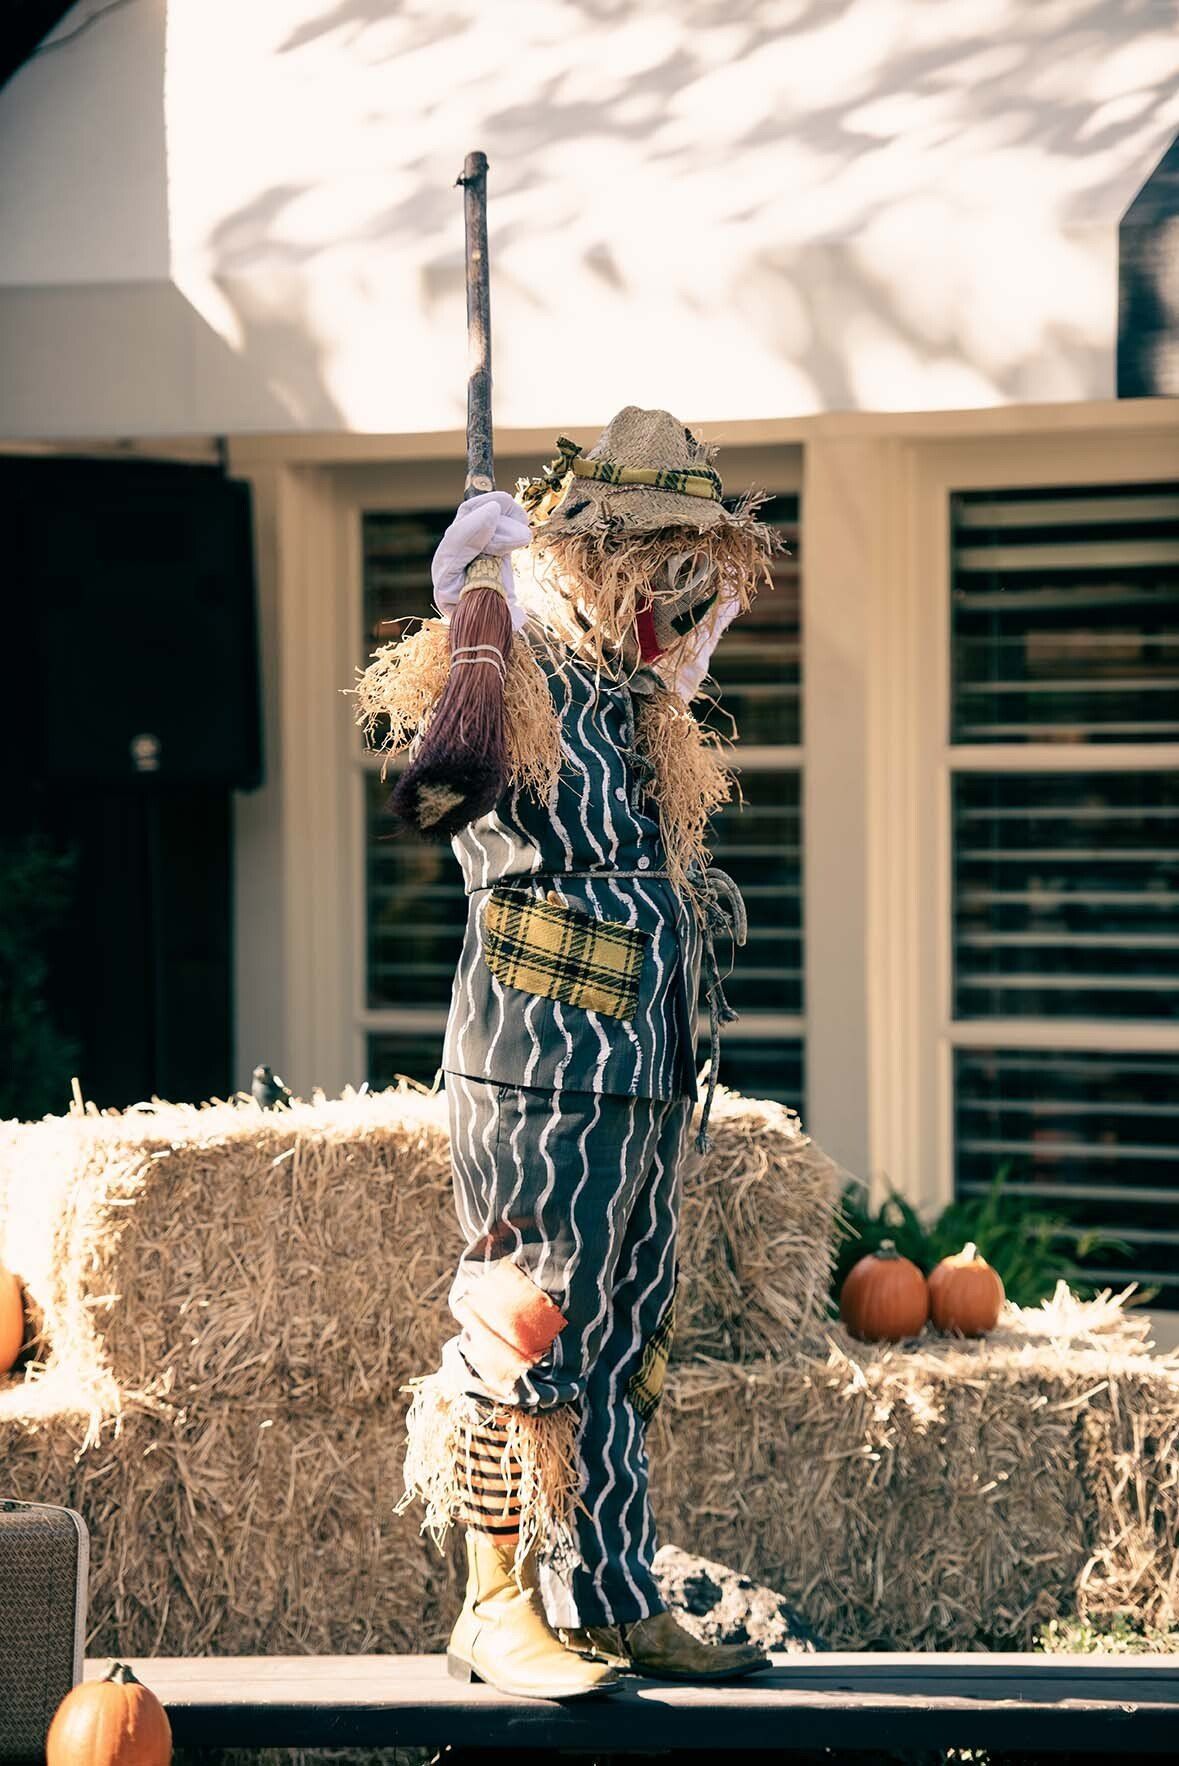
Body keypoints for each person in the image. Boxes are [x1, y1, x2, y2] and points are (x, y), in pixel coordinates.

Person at [357, 407, 779, 1700]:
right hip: (539, 1056)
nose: (672, 580)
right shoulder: (515, 654)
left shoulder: (638, 682)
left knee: (627, 1326)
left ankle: (609, 1588)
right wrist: (463, 605)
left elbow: (669, 682)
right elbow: (440, 753)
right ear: (592, 551)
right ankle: (495, 1601)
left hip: (649, 1056)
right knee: (524, 1318)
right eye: (650, 553)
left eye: (687, 557)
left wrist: (673, 657)